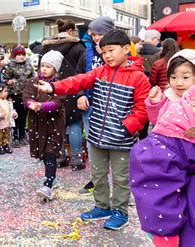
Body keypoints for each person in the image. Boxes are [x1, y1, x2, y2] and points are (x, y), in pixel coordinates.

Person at [38, 30, 151, 230]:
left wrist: (126, 128)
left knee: (120, 179)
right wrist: (54, 87)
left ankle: (120, 211)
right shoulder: (101, 72)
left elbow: (142, 109)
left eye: (111, 50)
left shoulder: (138, 77)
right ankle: (102, 206)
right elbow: (78, 81)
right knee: (98, 175)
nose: (107, 55)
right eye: (104, 52)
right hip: (97, 136)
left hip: (121, 140)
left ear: (126, 49)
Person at [129, 49, 195, 247]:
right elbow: (159, 122)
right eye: (173, 77)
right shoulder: (169, 96)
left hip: (182, 150)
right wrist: (155, 103)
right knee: (171, 195)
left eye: (186, 77)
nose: (179, 82)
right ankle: (168, 231)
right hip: (173, 151)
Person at [41, 18, 86, 170]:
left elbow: (41, 69)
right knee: (74, 124)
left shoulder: (47, 47)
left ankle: (59, 157)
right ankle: (76, 160)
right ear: (71, 31)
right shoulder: (78, 47)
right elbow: (83, 69)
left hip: (53, 88)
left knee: (57, 124)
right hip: (73, 88)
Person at [78, 16, 116, 195]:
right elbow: (79, 75)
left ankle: (119, 185)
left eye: (100, 34)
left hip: (114, 105)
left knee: (115, 144)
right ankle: (97, 180)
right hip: (91, 103)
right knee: (93, 144)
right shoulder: (86, 52)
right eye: (93, 34)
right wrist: (79, 95)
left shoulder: (122, 51)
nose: (96, 38)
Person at [24, 50, 66, 201]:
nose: (44, 69)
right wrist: (30, 104)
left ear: (55, 68)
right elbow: (26, 97)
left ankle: (47, 184)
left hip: (54, 123)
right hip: (37, 123)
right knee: (42, 152)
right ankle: (52, 176)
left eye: (48, 66)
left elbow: (58, 102)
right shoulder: (32, 81)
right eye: (43, 65)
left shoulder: (59, 84)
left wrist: (42, 106)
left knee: (50, 151)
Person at [2, 45, 34, 148]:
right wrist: (9, 82)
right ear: (15, 55)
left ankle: (22, 136)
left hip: (26, 94)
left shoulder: (28, 65)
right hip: (14, 94)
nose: (21, 56)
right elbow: (4, 79)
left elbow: (33, 76)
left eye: (22, 54)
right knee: (15, 116)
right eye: (19, 54)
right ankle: (15, 137)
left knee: (24, 116)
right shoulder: (10, 65)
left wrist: (31, 82)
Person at [0, 85, 17, 154]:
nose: (6, 93)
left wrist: (14, 114)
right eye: (4, 91)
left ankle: (6, 145)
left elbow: (11, 110)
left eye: (7, 91)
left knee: (7, 134)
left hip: (7, 122)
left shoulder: (8, 101)